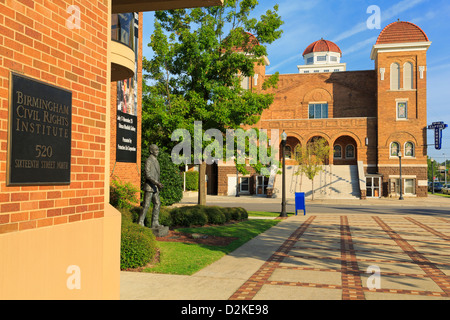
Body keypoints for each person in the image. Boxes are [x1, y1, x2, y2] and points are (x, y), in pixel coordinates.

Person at [138, 144, 163, 227]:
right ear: (151, 151)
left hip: (155, 187)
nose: (157, 152)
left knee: (157, 203)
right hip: (149, 186)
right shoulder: (149, 160)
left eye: (158, 150)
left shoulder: (156, 161)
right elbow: (147, 175)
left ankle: (155, 222)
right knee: (146, 205)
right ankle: (140, 222)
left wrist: (158, 184)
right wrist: (156, 182)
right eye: (156, 150)